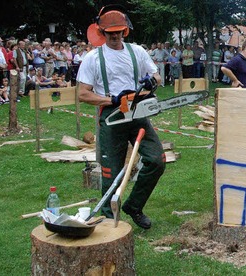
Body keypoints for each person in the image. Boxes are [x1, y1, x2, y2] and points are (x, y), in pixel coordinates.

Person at [77, 5, 165, 229]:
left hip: (137, 113)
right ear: (102, 33)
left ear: (125, 31)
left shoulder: (137, 52)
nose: (115, 36)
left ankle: (134, 206)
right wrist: (112, 100)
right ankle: (108, 222)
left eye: (119, 31)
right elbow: (83, 93)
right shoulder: (93, 58)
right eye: (110, 33)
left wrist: (152, 81)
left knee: (156, 160)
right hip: (111, 116)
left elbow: (157, 75)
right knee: (111, 172)